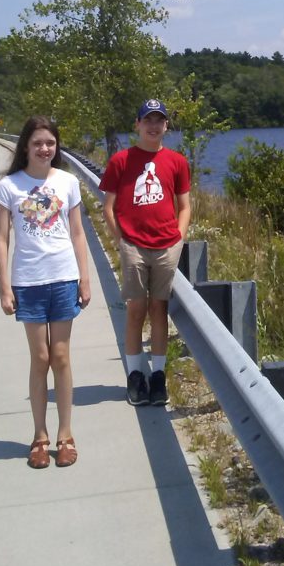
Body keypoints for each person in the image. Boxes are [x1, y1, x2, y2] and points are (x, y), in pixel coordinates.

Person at [0, 116, 91, 469]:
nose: (44, 149)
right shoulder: (9, 186)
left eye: (50, 143)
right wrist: (5, 287)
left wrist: (85, 278)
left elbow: (77, 234)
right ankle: (40, 436)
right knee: (41, 358)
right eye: (37, 143)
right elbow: (2, 240)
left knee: (61, 357)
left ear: (56, 146)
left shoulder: (67, 182)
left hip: (63, 278)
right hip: (28, 283)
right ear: (26, 147)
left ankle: (65, 435)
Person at [99, 98, 191, 406]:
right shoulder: (121, 161)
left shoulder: (177, 162)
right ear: (137, 125)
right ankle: (135, 376)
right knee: (137, 310)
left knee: (159, 309)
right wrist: (121, 239)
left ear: (166, 126)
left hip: (166, 245)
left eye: (159, 120)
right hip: (134, 245)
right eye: (147, 120)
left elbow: (185, 206)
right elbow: (108, 207)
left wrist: (179, 236)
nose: (154, 126)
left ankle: (158, 376)